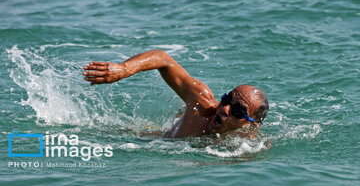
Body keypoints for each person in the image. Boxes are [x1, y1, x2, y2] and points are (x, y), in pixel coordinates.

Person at [83, 49, 269, 138]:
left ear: (250, 125)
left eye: (237, 111)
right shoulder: (202, 102)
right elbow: (163, 60)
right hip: (156, 140)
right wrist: (124, 69)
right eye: (226, 99)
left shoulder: (247, 142)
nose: (224, 109)